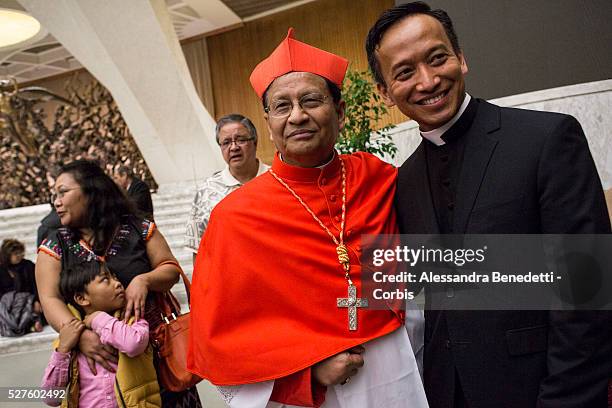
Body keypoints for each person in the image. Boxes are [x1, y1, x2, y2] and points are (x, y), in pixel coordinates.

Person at [365, 2, 612, 407]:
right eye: (405, 72)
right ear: (385, 93)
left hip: (539, 392)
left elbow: (588, 296)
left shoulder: (545, 140)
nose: (427, 81)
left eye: (437, 58)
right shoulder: (402, 182)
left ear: (461, 59)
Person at [188, 28, 428, 408]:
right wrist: (305, 376)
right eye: (282, 106)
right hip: (309, 395)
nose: (297, 116)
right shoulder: (234, 218)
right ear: (268, 122)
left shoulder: (377, 177)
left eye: (311, 100)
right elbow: (215, 342)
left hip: (398, 369)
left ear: (340, 111)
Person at [36, 159, 201, 407]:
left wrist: (144, 280)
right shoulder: (54, 244)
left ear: (92, 191)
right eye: (54, 195)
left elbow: (170, 269)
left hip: (156, 353)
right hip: (98, 364)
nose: (56, 201)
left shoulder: (138, 227)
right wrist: (78, 335)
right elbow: (50, 298)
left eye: (63, 192)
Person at [41, 260, 160, 407]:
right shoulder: (70, 337)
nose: (117, 283)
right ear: (81, 298)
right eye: (105, 280)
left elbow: (133, 344)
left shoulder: (133, 322)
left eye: (115, 278)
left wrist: (98, 318)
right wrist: (63, 350)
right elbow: (50, 398)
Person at [184, 114, 269, 264]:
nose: (234, 147)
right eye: (226, 142)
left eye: (241, 140)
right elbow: (199, 249)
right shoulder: (207, 192)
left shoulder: (276, 180)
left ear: (255, 142)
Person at [0, 239, 44, 335]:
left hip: (28, 301)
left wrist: (36, 301)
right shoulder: (1, 270)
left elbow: (36, 285)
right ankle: (27, 327)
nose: (19, 256)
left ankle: (30, 324)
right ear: (7, 255)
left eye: (21, 253)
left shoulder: (28, 266)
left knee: (32, 308)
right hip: (8, 304)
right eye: (16, 254)